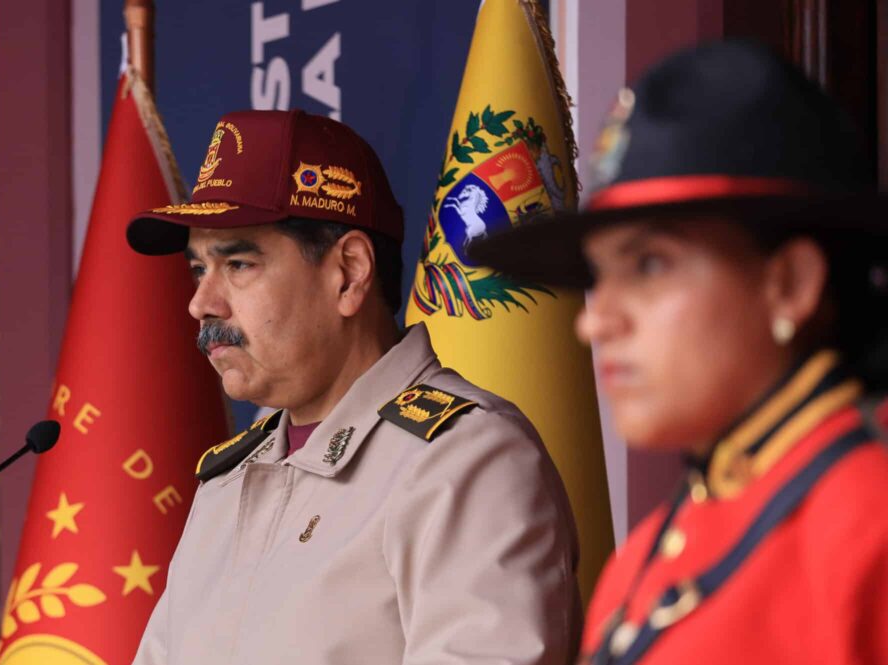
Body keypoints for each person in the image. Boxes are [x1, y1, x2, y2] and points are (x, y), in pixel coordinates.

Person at [472, 41, 888, 664]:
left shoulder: (870, 523)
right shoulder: (645, 555)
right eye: (595, 276)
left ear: (790, 285)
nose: (595, 323)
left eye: (649, 263)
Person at [125, 109, 581, 665]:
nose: (201, 303)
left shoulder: (467, 461)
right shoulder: (226, 483)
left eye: (238, 264)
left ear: (350, 272)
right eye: (199, 270)